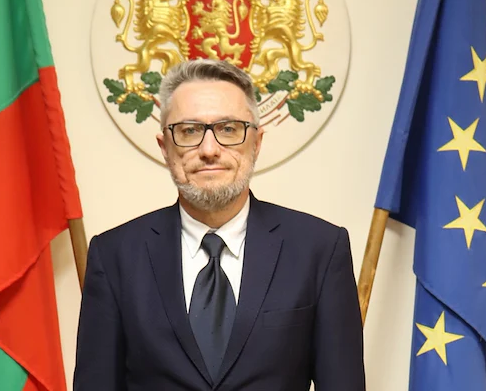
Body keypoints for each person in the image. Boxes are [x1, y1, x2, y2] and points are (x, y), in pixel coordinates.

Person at [73, 59, 366, 390]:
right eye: (189, 131)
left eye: (228, 129)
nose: (209, 150)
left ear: (257, 142)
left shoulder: (319, 250)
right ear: (165, 147)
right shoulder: (114, 256)